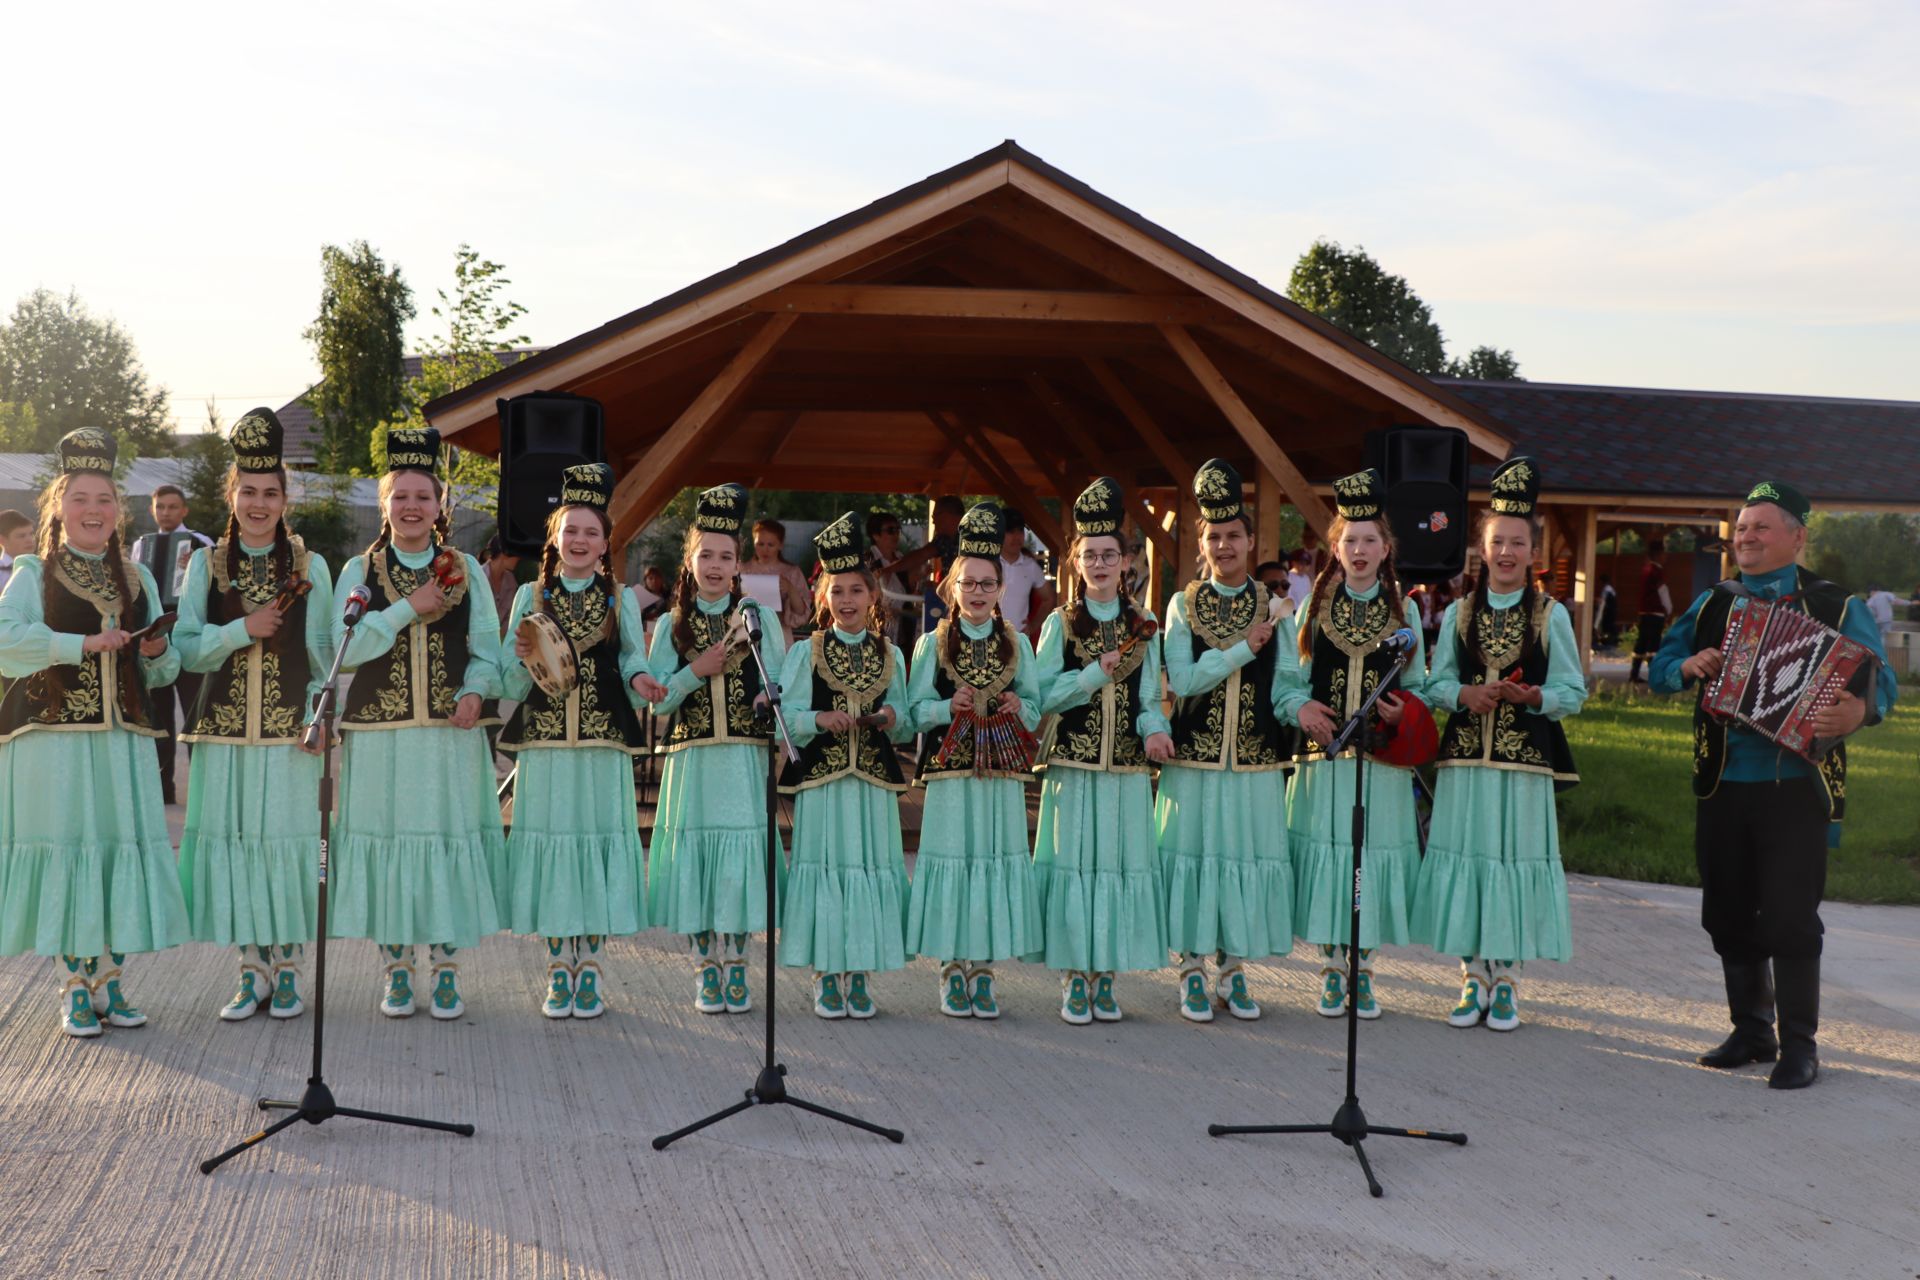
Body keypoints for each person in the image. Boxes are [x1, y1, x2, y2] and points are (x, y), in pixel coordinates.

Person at [1651, 480, 1897, 1090]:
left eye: (1761, 527)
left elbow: (1878, 681)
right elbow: (1661, 669)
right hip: (1723, 784)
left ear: (1797, 536)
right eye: (1741, 528)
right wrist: (1686, 666)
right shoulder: (1715, 603)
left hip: (1796, 787)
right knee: (1727, 911)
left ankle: (1800, 1046)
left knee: (1789, 918)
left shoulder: (1835, 606)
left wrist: (1859, 713)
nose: (1747, 537)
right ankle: (1752, 1030)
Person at [0, 428, 190, 1037]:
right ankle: (75, 983)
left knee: (114, 853)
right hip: (54, 742)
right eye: (80, 498)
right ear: (60, 506)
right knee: (74, 850)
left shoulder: (137, 580)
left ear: (118, 511)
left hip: (125, 738)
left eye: (104, 499)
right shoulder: (32, 572)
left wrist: (158, 649)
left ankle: (111, 979)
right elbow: (5, 643)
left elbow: (162, 669)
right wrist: (80, 643)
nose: (93, 510)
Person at [329, 427, 504, 1021]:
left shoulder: (467, 569)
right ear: (384, 504)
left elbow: (489, 650)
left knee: (445, 841)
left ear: (439, 507)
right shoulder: (359, 568)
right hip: (380, 737)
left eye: (422, 497)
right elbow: (343, 650)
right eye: (399, 495)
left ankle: (447, 970)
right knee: (391, 848)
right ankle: (397, 970)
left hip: (448, 737)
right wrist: (407, 607)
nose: (411, 506)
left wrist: (477, 692)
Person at [1411, 458, 1586, 1032]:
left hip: (1524, 764)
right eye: (1496, 542)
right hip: (1464, 761)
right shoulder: (1461, 613)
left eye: (1517, 543)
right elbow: (1434, 684)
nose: (1506, 552)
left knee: (1510, 863)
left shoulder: (1550, 614)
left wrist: (1534, 698)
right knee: (1466, 859)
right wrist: (1465, 693)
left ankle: (1506, 978)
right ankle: (1470, 976)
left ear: (1533, 552)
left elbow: (1572, 689)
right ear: (1481, 551)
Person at [174, 408, 335, 1021]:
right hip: (221, 731)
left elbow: (324, 651)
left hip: (290, 731)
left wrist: (323, 714)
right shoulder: (205, 564)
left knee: (287, 845)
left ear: (285, 497)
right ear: (231, 494)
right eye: (248, 491)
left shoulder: (309, 566)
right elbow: (188, 646)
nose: (259, 503)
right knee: (240, 847)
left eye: (271, 492)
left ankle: (287, 968)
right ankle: (251, 970)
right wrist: (240, 629)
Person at [498, 464, 662, 1019]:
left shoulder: (622, 598)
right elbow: (506, 677)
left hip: (602, 743)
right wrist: (521, 661)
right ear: (555, 537)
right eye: (571, 530)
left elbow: (634, 659)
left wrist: (642, 680)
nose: (580, 540)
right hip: (544, 747)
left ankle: (588, 969)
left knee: (594, 848)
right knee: (552, 850)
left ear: (605, 542)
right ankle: (555, 970)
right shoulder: (530, 594)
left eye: (592, 532)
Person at [1277, 468, 1428, 1019]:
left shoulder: (1404, 611)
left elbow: (1419, 686)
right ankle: (1331, 965)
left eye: (1369, 539)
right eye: (1349, 540)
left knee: (1369, 858)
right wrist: (1302, 707)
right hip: (1326, 760)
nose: (1359, 549)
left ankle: (1363, 967)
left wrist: (1404, 708)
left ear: (1386, 548)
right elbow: (1287, 684)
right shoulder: (1311, 610)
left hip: (1382, 762)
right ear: (1334, 549)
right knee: (1332, 857)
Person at [1155, 460, 1296, 1022]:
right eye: (1214, 536)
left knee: (1241, 859)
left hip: (1257, 759)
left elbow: (1286, 681)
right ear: (1202, 543)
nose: (1224, 544)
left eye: (1234, 535)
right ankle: (1190, 969)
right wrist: (1243, 648)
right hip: (1193, 757)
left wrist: (1303, 707)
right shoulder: (1182, 603)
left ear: (1251, 539)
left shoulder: (1277, 604)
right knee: (1195, 859)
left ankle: (1233, 969)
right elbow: (1182, 680)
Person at [1031, 478, 1172, 1024]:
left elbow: (1149, 696)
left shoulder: (1144, 624)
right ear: (1075, 561)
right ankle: (1073, 978)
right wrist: (1092, 673)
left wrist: (1155, 728)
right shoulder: (1059, 622)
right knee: (1076, 867)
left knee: (1115, 868)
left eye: (1109, 554)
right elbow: (1043, 695)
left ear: (1127, 559)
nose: (1099, 563)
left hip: (1128, 767)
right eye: (1089, 555)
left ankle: (1106, 975)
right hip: (1073, 763)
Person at [646, 483, 786, 1015]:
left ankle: (738, 964)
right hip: (693, 759)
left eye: (726, 556)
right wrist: (692, 673)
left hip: (745, 759)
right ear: (691, 558)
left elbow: (782, 686)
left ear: (738, 564)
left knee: (740, 863)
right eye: (706, 554)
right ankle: (707, 966)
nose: (715, 564)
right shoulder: (671, 623)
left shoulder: (758, 618)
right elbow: (657, 702)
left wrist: (765, 693)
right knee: (701, 862)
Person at [903, 502, 1044, 1019]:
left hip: (1002, 775)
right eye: (970, 583)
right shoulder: (930, 644)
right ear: (951, 588)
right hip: (950, 776)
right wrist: (946, 706)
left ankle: (983, 971)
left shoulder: (1017, 644)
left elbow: (1034, 704)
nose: (979, 592)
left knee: (991, 865)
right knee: (954, 865)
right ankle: (950, 968)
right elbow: (913, 713)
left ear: (1001, 590)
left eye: (988, 584)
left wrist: (1018, 705)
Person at [778, 513, 913, 1019]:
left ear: (873, 596)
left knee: (867, 869)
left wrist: (895, 716)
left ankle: (859, 972)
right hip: (823, 783)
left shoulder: (890, 653)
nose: (848, 600)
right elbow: (783, 721)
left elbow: (905, 722)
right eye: (838, 591)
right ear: (823, 597)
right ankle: (825, 974)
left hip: (874, 783)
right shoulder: (806, 652)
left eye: (857, 590)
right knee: (828, 869)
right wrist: (818, 716)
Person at [132, 483, 215, 804]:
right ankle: (162, 789)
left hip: (189, 635)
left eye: (172, 507)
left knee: (196, 713)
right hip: (155, 639)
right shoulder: (141, 546)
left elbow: (214, 588)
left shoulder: (201, 542)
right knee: (159, 717)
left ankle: (203, 791)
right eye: (160, 507)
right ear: (153, 509)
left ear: (184, 510)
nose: (165, 512)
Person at [741, 517, 812, 645]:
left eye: (770, 545)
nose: (765, 549)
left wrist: (790, 589)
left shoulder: (791, 572)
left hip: (779, 635)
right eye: (760, 544)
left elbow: (802, 612)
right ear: (754, 542)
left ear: (780, 545)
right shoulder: (742, 570)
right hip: (746, 633)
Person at [996, 511, 1053, 644]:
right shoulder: (989, 564)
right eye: (1010, 531)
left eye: (1020, 531)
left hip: (1019, 642)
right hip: (988, 639)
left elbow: (1049, 599)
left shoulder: (1030, 566)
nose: (1017, 537)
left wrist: (1033, 626)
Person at [1627, 537, 1671, 684]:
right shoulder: (1657, 571)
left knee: (1641, 644)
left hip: (1644, 613)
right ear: (1659, 554)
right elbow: (1662, 591)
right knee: (1653, 646)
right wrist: (1668, 609)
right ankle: (1655, 676)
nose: (1666, 556)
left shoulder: (1645, 570)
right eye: (1664, 553)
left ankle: (1634, 674)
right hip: (1655, 613)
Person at [481, 535, 521, 634]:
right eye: (516, 554)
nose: (519, 558)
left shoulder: (511, 581)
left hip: (500, 643)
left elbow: (509, 619)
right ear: (505, 554)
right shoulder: (478, 577)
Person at [0, 509, 33, 597]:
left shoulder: (42, 568)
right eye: (21, 536)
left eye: (31, 534)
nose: (29, 540)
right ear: (2, 540)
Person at [1597, 574, 1620, 650]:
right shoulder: (1610, 589)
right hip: (1612, 610)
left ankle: (1608, 642)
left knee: (1607, 626)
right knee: (1610, 626)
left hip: (1608, 611)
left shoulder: (1606, 590)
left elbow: (1603, 601)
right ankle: (1610, 641)